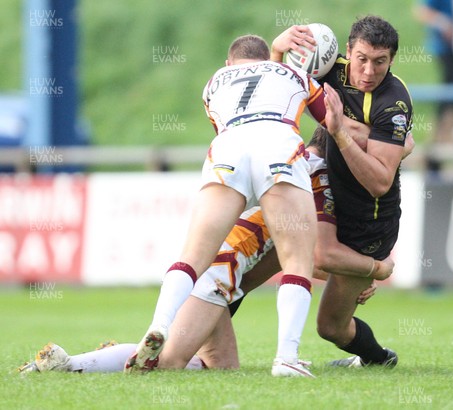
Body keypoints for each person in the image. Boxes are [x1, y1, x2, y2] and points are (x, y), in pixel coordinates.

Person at [17, 127, 394, 375]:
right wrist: (374, 268)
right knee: (171, 363)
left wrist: (346, 275)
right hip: (216, 275)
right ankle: (74, 365)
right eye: (355, 147)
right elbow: (320, 255)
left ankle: (93, 359)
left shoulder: (284, 161)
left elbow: (298, 256)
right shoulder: (314, 177)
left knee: (217, 368)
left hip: (211, 271)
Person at [125, 34, 326, 378]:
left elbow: (227, 123)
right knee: (297, 259)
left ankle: (159, 323)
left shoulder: (214, 83)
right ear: (270, 59)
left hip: (228, 148)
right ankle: (286, 358)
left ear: (229, 62)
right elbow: (330, 120)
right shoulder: (295, 75)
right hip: (278, 148)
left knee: (193, 256)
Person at [271, 15, 413, 368]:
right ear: (348, 52)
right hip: (327, 183)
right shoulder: (329, 67)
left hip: (370, 219)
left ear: (391, 60)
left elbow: (380, 181)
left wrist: (340, 131)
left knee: (330, 326)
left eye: (380, 62)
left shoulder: (393, 102)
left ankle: (378, 355)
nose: (368, 71)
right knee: (280, 247)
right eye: (362, 59)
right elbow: (275, 88)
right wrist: (277, 49)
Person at [414, 0, 453, 144]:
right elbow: (422, 12)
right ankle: (439, 135)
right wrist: (444, 24)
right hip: (442, 47)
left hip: (452, 47)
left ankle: (443, 135)